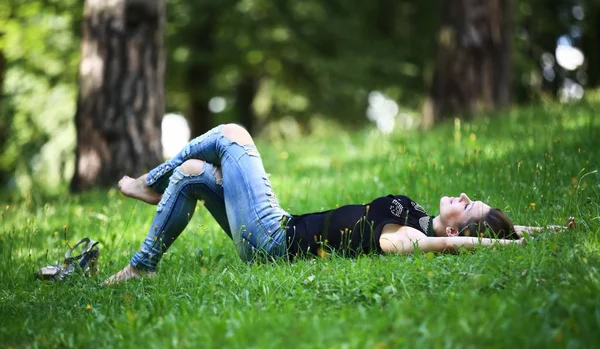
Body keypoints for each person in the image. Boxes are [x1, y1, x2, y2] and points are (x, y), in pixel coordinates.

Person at [103, 124, 575, 285]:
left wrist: (505, 249)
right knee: (194, 176)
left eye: (468, 209)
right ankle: (144, 265)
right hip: (276, 229)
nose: (465, 197)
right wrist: (542, 232)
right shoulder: (412, 212)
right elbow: (495, 233)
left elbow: (463, 247)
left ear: (455, 232)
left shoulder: (408, 238)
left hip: (273, 238)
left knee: (233, 136)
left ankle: (147, 183)